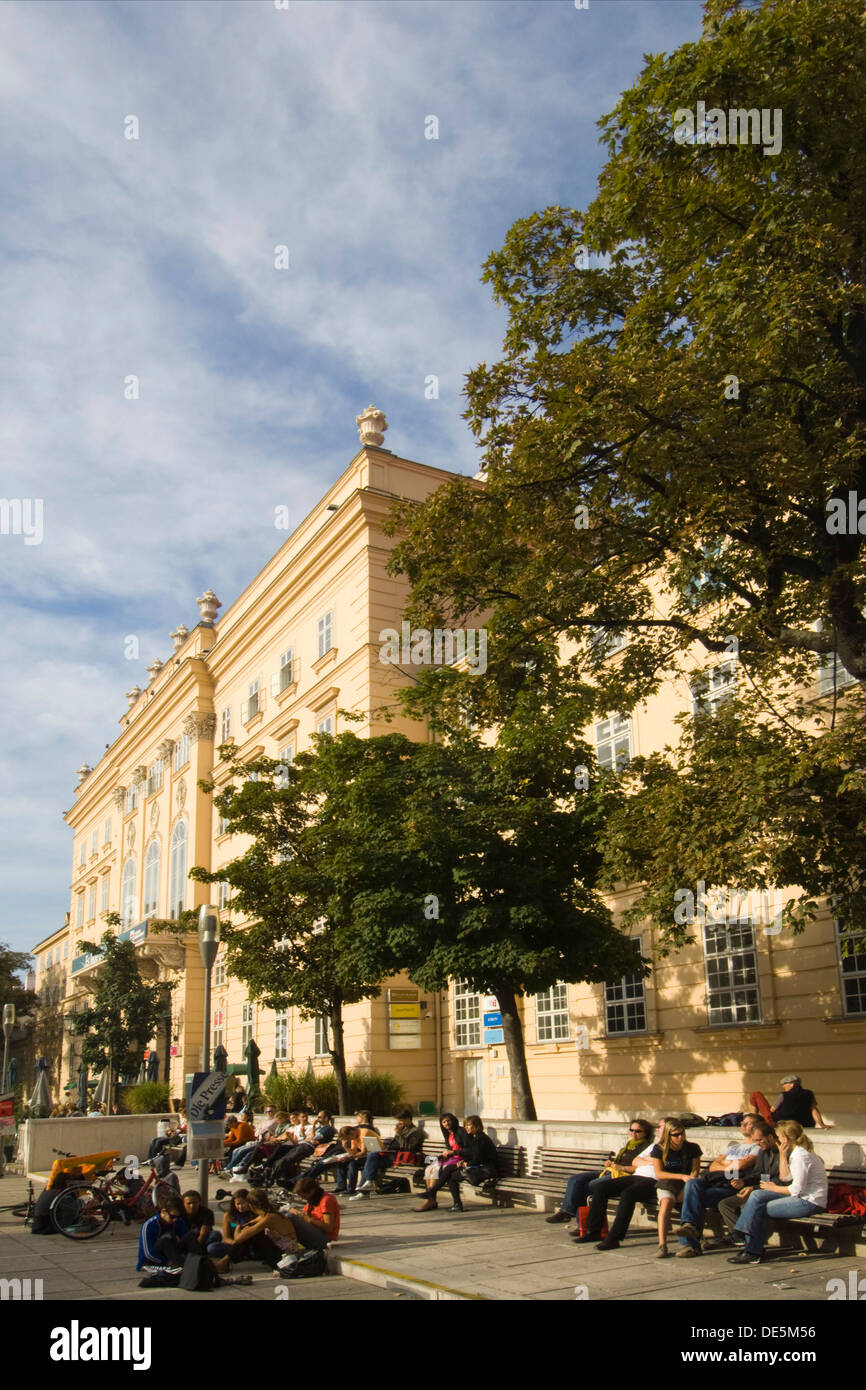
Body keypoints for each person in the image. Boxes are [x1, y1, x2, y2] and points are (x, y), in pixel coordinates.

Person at [728, 1121, 827, 1264]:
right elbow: (784, 1177)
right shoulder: (794, 1153)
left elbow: (796, 1189)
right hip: (800, 1197)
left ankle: (751, 1249)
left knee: (758, 1207)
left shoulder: (801, 1156)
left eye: (779, 1136)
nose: (777, 1139)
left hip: (809, 1201)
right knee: (757, 1195)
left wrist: (773, 1188)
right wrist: (782, 1154)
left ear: (785, 1138)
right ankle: (743, 1237)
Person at [573, 1117, 674, 1249]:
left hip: (654, 1181)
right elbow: (635, 1161)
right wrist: (653, 1160)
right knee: (601, 1187)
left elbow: (664, 1166)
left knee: (628, 1194)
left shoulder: (674, 1147)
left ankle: (614, 1238)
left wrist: (650, 1160)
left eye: (661, 1127)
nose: (658, 1130)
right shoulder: (654, 1146)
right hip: (637, 1175)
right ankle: (594, 1231)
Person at [675, 1114, 764, 1257]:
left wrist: (725, 1164)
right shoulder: (734, 1146)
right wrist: (730, 1165)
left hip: (732, 1187)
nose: (742, 1125)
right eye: (742, 1122)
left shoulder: (757, 1147)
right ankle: (689, 1227)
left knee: (692, 1197)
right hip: (716, 1183)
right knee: (692, 1183)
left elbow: (742, 1165)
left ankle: (689, 1243)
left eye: (748, 1123)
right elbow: (713, 1166)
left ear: (757, 1126)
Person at [547, 1118, 653, 1225]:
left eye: (638, 1131)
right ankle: (567, 1212)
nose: (633, 1133)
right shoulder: (628, 1145)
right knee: (575, 1180)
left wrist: (621, 1167)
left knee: (589, 1186)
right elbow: (619, 1161)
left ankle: (583, 1224)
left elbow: (638, 1167)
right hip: (610, 1171)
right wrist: (611, 1163)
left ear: (646, 1133)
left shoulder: (646, 1147)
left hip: (623, 1176)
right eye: (631, 1130)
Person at [716, 1126, 784, 1242]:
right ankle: (738, 1236)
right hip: (760, 1189)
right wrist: (743, 1182)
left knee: (747, 1204)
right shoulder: (763, 1152)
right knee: (724, 1204)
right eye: (755, 1141)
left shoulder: (783, 1152)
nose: (757, 1144)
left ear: (770, 1137)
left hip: (776, 1191)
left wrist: (753, 1188)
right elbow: (757, 1174)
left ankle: (747, 1240)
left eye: (759, 1140)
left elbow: (782, 1181)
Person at [649, 1121, 702, 1258]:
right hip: (668, 1182)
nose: (680, 1137)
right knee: (666, 1203)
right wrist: (681, 1176)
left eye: (682, 1134)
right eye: (676, 1135)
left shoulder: (692, 1148)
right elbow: (659, 1173)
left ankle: (692, 1241)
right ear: (668, 1135)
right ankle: (662, 1244)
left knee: (691, 1199)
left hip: (687, 1183)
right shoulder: (659, 1149)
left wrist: (686, 1188)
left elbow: (695, 1171)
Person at [350, 1107, 424, 1199]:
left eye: (401, 1120)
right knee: (369, 1161)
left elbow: (407, 1148)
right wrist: (386, 1148)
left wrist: (399, 1134)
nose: (399, 1122)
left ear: (408, 1119)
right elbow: (397, 1143)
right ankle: (366, 1189)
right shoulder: (402, 1129)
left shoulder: (415, 1132)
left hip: (398, 1157)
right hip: (390, 1154)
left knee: (371, 1157)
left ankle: (365, 1190)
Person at [415, 1113, 468, 1212]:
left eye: (448, 1121)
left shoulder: (461, 1131)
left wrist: (452, 1153)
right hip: (452, 1158)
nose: (446, 1123)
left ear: (453, 1120)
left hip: (460, 1159)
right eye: (444, 1122)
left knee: (436, 1170)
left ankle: (430, 1198)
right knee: (429, 1169)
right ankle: (431, 1199)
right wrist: (445, 1154)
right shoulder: (448, 1134)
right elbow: (449, 1149)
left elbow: (467, 1149)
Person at [749, 1075, 831, 1130]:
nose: (783, 1086)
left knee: (756, 1095)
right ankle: (752, 1121)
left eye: (785, 1084)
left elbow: (772, 1110)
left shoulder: (784, 1095)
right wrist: (822, 1124)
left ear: (792, 1084)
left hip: (780, 1124)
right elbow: (814, 1110)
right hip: (805, 1124)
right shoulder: (809, 1093)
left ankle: (752, 1121)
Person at [136, 1197, 188, 1271]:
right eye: (172, 1217)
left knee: (190, 1236)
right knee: (165, 1241)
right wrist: (166, 1262)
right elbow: (148, 1253)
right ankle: (179, 1264)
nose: (175, 1220)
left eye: (178, 1217)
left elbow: (185, 1239)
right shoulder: (149, 1225)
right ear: (163, 1212)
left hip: (171, 1257)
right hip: (151, 1261)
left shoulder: (178, 1222)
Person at [225, 1104, 278, 1174]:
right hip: (258, 1140)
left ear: (275, 1111)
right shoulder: (266, 1121)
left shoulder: (275, 1121)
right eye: (266, 1111)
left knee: (241, 1151)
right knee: (236, 1151)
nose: (268, 1113)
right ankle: (232, 1168)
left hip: (261, 1142)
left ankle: (230, 1168)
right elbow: (257, 1132)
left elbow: (240, 1140)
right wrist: (223, 1142)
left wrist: (225, 1143)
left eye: (270, 1111)